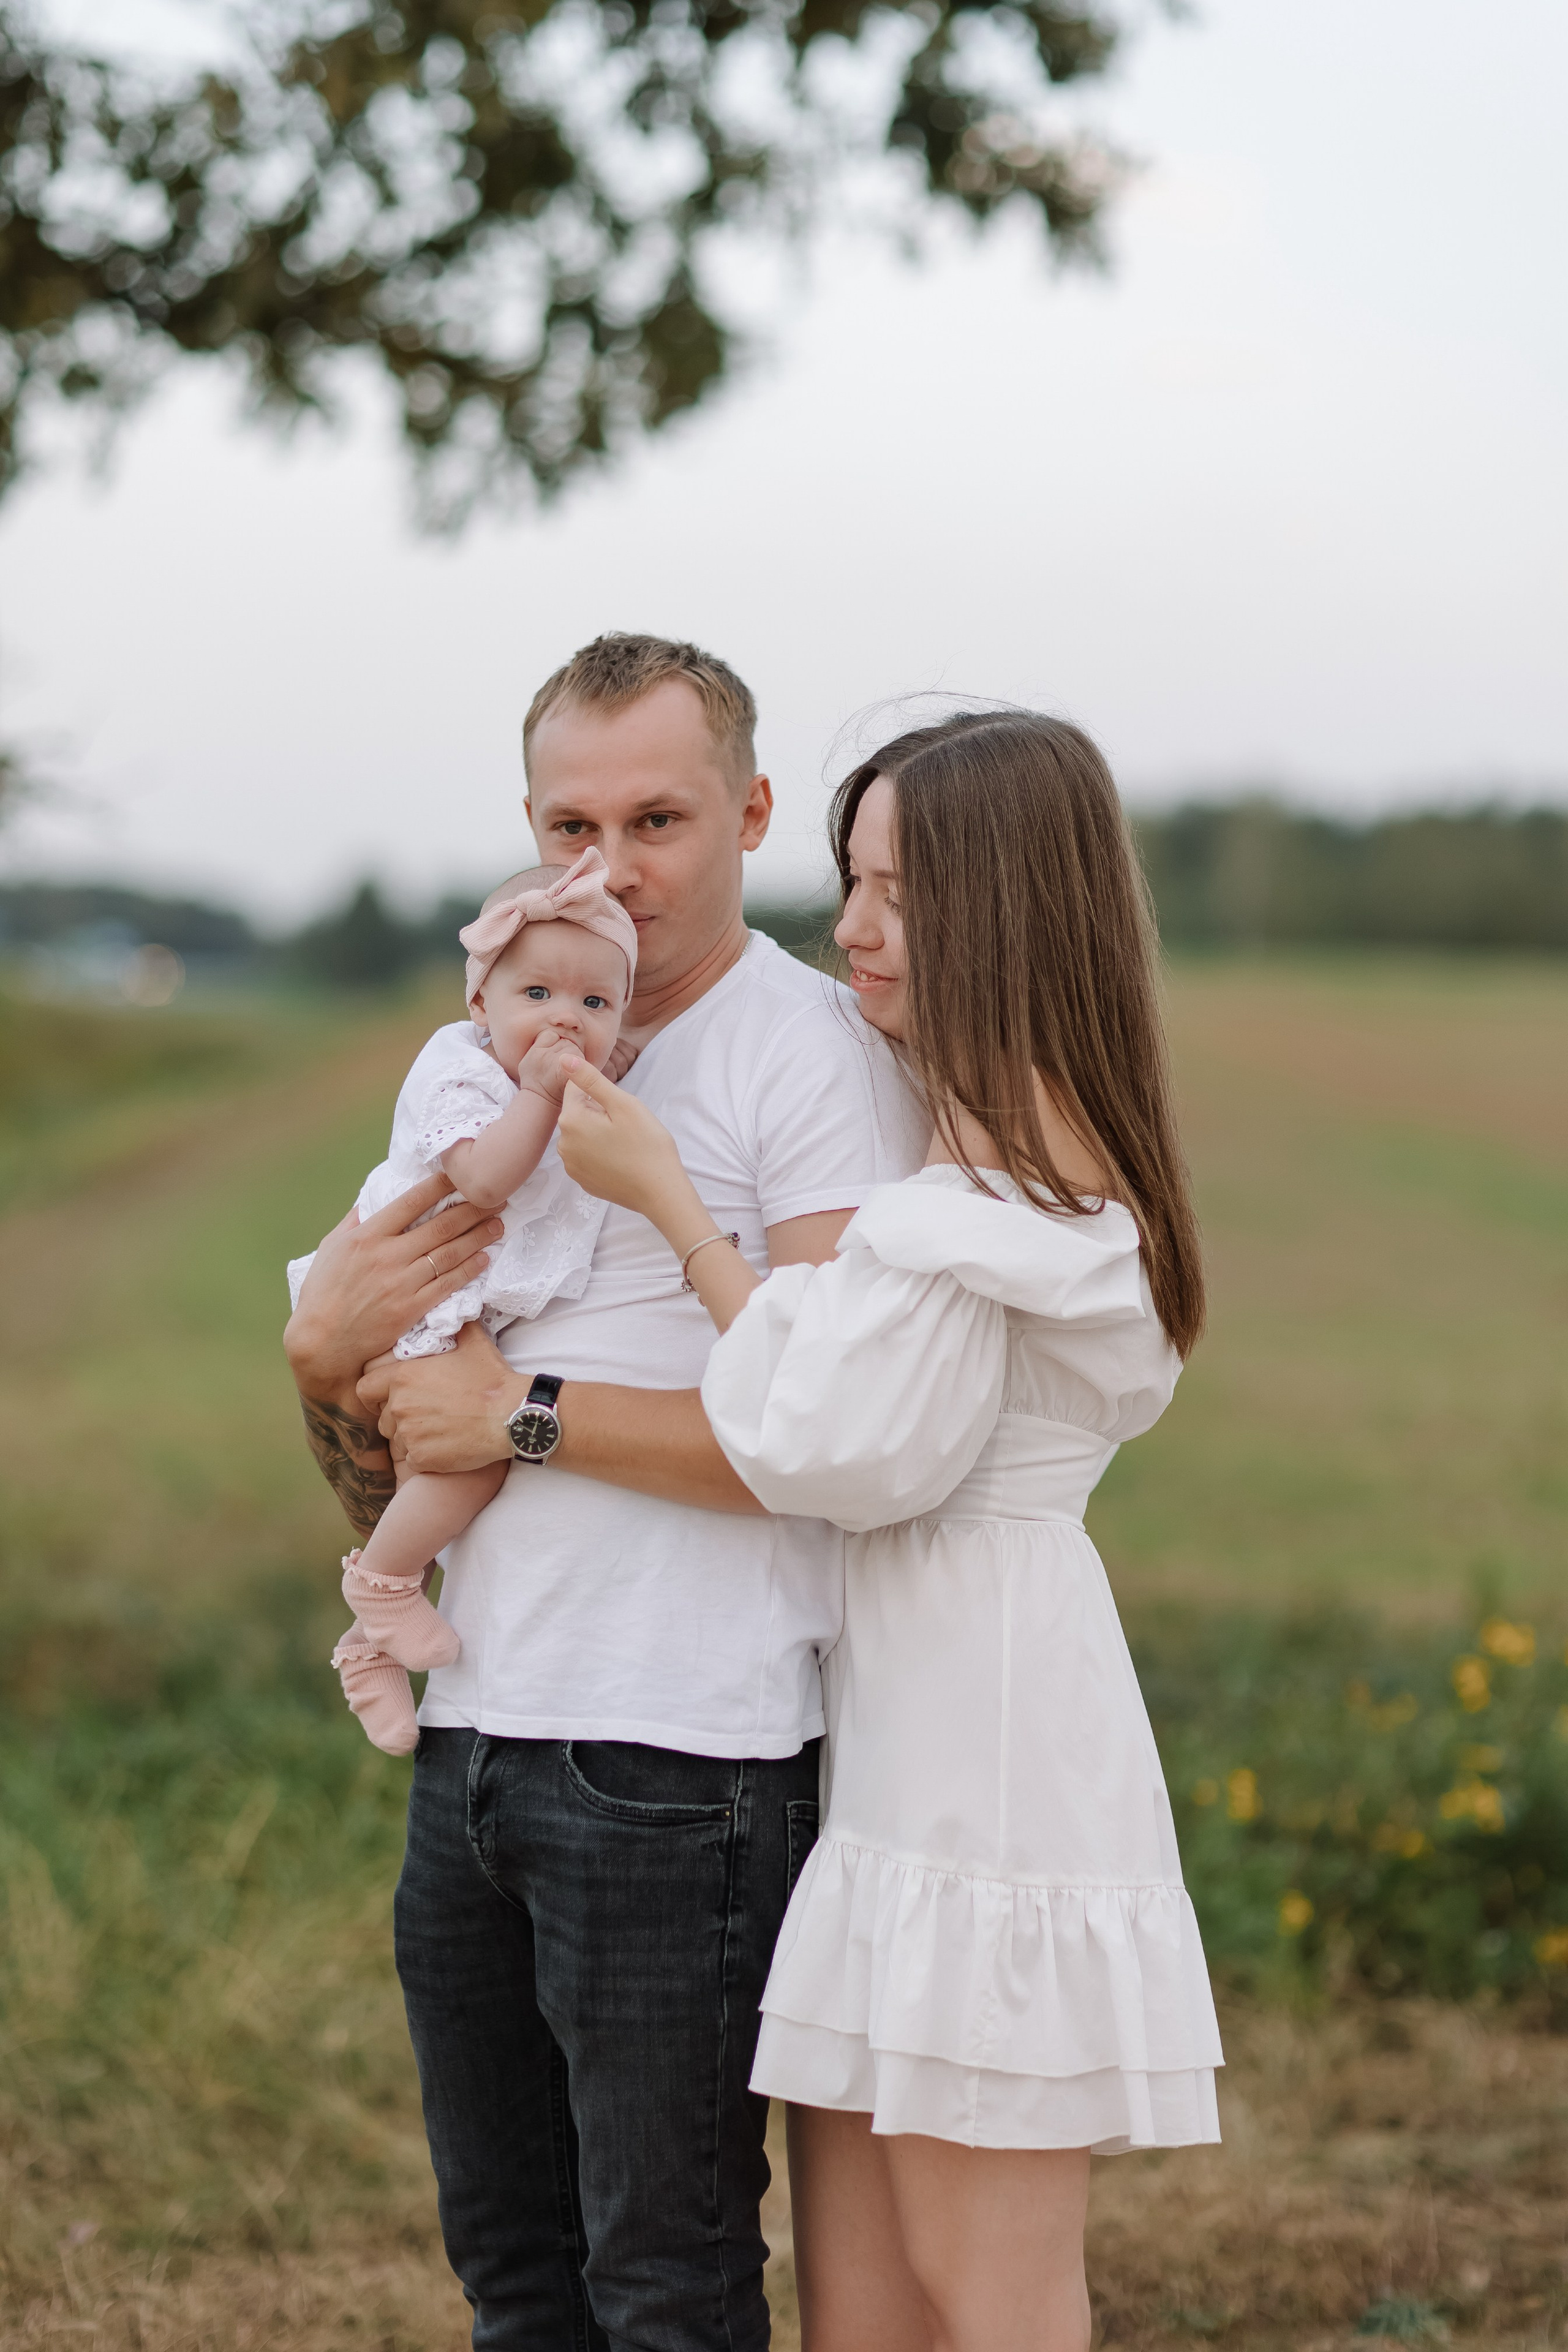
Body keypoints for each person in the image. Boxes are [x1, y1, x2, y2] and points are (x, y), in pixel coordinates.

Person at [282, 634, 927, 2352]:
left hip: (680, 1762)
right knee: (512, 2274)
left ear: (754, 813)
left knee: (668, 2285)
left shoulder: (813, 1059)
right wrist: (321, 1357)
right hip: (473, 1732)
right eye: (574, 822)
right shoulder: (489, 1049)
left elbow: (838, 1441)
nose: (612, 867)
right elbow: (383, 1403)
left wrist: (528, 1414)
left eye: (660, 817)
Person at [551, 710, 1223, 2352]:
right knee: (866, 2309)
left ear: (1012, 910)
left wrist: (676, 1212)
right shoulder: (967, 1143)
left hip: (982, 1768)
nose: (853, 926)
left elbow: (824, 1439)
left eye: (901, 892)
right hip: (902, 1747)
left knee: (987, 2299)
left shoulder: (1013, 1194)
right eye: (850, 879)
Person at [285, 848, 639, 1755]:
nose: (567, 1019)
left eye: (596, 1004)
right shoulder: (461, 1075)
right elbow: (482, 1178)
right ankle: (383, 1590)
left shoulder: (540, 1068)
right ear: (479, 1002)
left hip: (458, 1294)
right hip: (413, 1293)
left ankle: (369, 1653)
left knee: (466, 1475)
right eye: (539, 997)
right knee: (474, 1463)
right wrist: (543, 1089)